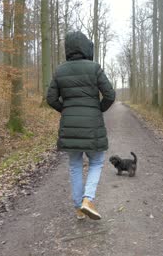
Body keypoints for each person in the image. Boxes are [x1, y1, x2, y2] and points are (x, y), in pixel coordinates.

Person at [47, 31, 115, 220]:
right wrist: (97, 109)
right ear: (85, 47)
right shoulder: (94, 68)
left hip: (70, 125)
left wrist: (66, 110)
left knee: (75, 165)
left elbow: (50, 98)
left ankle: (79, 208)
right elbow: (110, 95)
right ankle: (88, 199)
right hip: (92, 125)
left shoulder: (60, 70)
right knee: (96, 161)